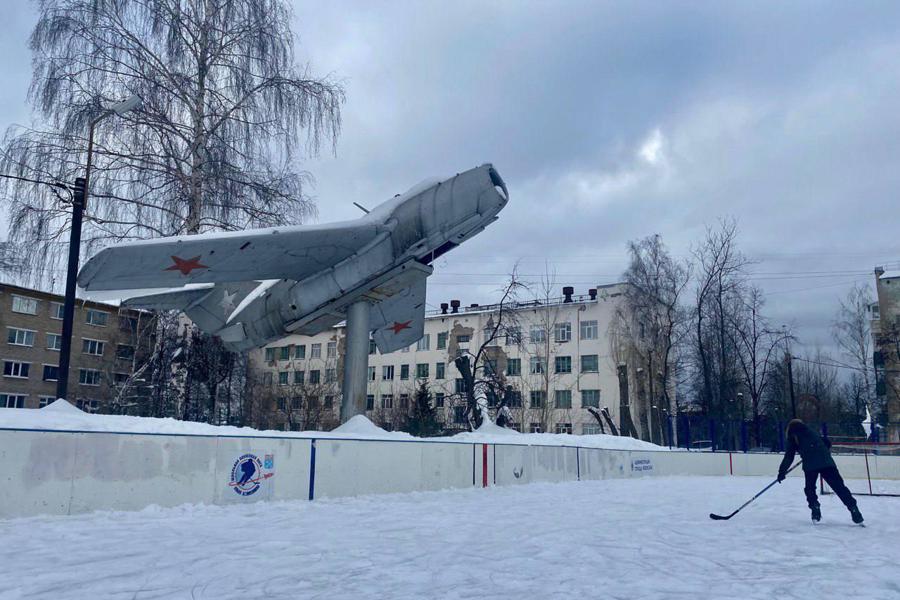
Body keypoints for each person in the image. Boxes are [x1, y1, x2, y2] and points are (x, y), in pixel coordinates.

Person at [777, 419, 863, 524]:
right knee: (839, 487)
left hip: (810, 465)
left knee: (810, 488)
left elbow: (789, 457)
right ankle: (854, 509)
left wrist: (781, 472)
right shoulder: (811, 431)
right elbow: (827, 442)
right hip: (827, 462)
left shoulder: (792, 436)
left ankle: (815, 509)